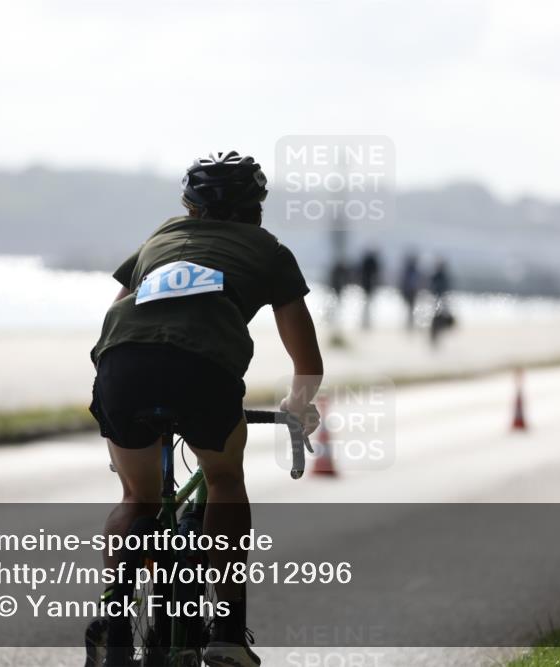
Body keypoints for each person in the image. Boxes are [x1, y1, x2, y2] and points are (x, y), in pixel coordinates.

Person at [88, 151, 323, 666]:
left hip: (122, 363)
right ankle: (228, 634)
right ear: (256, 206)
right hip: (203, 370)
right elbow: (307, 361)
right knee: (224, 480)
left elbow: (116, 311)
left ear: (189, 206)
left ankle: (113, 622)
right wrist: (298, 403)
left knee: (137, 497)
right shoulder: (269, 251)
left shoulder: (161, 237)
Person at [428, 259, 454, 347]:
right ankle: (434, 336)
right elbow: (431, 288)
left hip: (441, 300)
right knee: (436, 318)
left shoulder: (442, 276)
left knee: (440, 318)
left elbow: (446, 288)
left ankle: (437, 335)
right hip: (437, 300)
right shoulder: (436, 276)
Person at [358, 249, 381, 330]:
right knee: (368, 303)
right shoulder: (372, 262)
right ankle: (367, 321)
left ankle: (366, 321)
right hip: (369, 285)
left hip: (366, 285)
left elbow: (361, 273)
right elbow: (376, 274)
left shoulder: (366, 262)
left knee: (366, 303)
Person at [399, 253, 421, 331]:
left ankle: (409, 323)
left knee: (410, 308)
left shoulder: (410, 271)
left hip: (411, 292)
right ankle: (409, 323)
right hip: (410, 292)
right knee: (410, 308)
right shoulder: (411, 271)